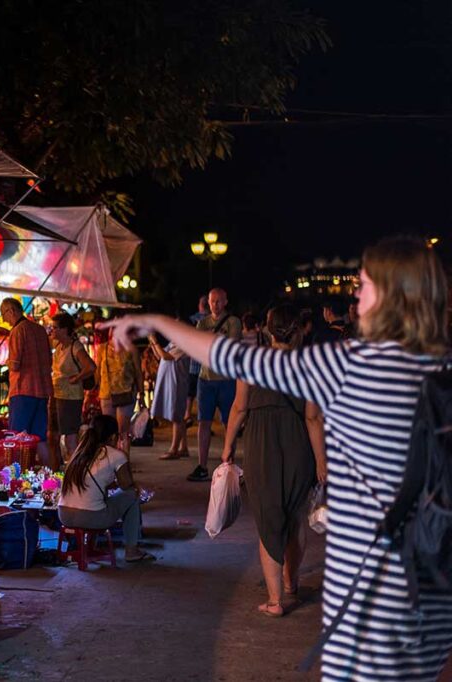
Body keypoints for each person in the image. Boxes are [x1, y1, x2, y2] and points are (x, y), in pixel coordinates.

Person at [104, 236, 452, 681]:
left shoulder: (352, 363)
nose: (355, 294)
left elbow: (232, 357)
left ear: (390, 293)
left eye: (363, 284)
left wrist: (157, 322)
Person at [220, 305, 327, 617]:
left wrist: (227, 446)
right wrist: (321, 460)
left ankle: (275, 600)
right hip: (298, 445)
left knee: (269, 519)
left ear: (267, 330)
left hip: (261, 444)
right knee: (295, 518)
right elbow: (313, 417)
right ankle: (291, 581)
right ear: (296, 330)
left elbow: (239, 409)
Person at [59, 414, 155, 563]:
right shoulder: (116, 455)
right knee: (132, 495)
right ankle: (131, 550)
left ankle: (92, 545)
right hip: (91, 517)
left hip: (63, 515)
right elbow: (126, 485)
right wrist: (125, 454)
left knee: (98, 499)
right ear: (113, 437)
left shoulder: (79, 452)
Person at [191, 288, 242, 481]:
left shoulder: (233, 322)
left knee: (230, 424)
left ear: (226, 301)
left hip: (226, 379)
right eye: (213, 301)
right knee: (203, 423)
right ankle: (202, 465)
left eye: (219, 301)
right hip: (206, 379)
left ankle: (230, 464)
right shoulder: (202, 323)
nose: (215, 305)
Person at [1, 298, 53, 466]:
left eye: (4, 314)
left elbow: (15, 364)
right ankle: (49, 475)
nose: (4, 320)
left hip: (23, 391)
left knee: (16, 439)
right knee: (40, 438)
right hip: (43, 391)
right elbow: (49, 360)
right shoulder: (40, 330)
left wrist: (6, 366)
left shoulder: (17, 331)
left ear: (11, 311)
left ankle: (17, 479)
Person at [49, 312, 96, 465]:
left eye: (55, 328)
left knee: (70, 436)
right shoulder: (58, 346)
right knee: (52, 434)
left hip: (70, 397)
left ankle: (75, 470)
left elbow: (90, 367)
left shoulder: (75, 347)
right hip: (56, 394)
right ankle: (58, 468)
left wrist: (76, 378)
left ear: (64, 330)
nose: (52, 330)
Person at [97, 319, 142, 458]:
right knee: (108, 431)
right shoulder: (102, 348)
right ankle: (109, 463)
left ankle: (123, 462)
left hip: (126, 392)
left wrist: (141, 394)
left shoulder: (131, 349)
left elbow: (138, 372)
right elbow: (98, 371)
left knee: (123, 432)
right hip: (106, 393)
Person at [148, 332, 190, 459]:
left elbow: (166, 356)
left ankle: (174, 449)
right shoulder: (173, 342)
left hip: (177, 382)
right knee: (177, 415)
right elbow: (159, 356)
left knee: (176, 415)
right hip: (170, 381)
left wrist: (155, 342)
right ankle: (183, 447)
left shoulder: (184, 344)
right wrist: (152, 342)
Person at [186, 295, 210, 424]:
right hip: (206, 364)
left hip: (192, 363)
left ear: (200, 305)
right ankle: (203, 419)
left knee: (190, 393)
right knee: (203, 395)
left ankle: (187, 415)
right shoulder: (212, 320)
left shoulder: (192, 320)